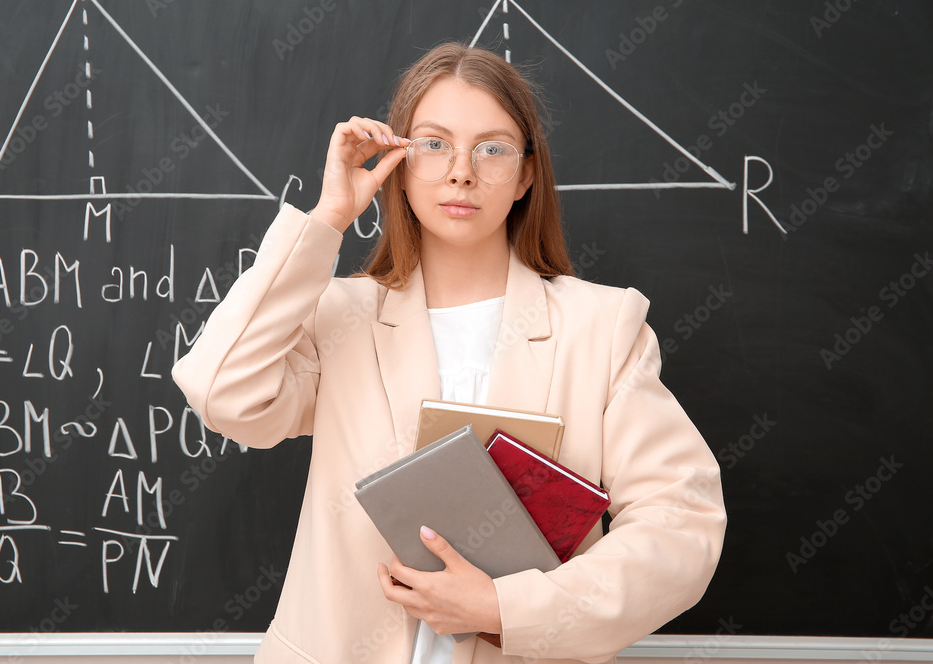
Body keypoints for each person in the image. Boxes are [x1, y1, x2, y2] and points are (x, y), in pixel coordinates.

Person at [172, 41, 726, 664]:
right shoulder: (340, 316)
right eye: (433, 144)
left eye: (492, 149)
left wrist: (507, 610)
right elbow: (221, 392)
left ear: (525, 175)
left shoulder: (601, 326)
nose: (461, 171)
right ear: (398, 163)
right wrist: (328, 218)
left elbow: (681, 523)